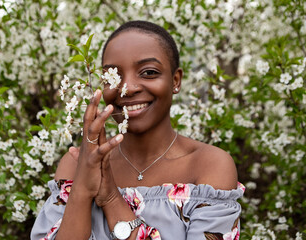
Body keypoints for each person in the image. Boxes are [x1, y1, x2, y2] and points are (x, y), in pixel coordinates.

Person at [31, 20, 245, 240]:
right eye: (112, 76)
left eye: (149, 72)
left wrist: (112, 199)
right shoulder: (77, 164)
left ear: (175, 80)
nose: (128, 88)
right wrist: (83, 189)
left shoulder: (208, 166)